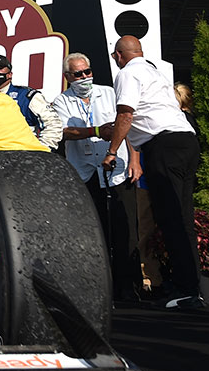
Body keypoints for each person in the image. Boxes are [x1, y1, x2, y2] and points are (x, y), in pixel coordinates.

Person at [101, 35, 203, 309]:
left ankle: (185, 289)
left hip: (165, 146)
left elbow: (126, 115)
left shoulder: (128, 73)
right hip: (186, 142)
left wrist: (112, 151)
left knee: (171, 218)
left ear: (118, 56)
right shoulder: (153, 71)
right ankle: (192, 287)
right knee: (182, 217)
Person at [51, 52, 142, 301]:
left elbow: (129, 126)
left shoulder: (110, 93)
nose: (84, 77)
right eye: (78, 74)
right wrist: (95, 130)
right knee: (95, 231)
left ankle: (130, 288)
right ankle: (102, 290)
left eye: (87, 72)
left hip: (116, 167)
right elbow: (63, 131)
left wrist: (135, 158)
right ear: (68, 77)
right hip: (85, 171)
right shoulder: (61, 101)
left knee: (125, 230)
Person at [0, 54, 63, 151]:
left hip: (21, 159)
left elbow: (54, 124)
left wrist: (40, 153)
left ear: (10, 74)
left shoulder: (26, 96)